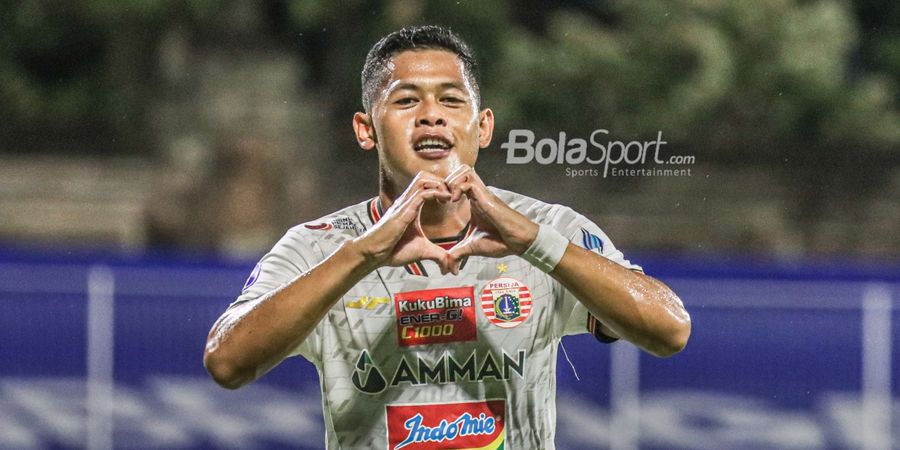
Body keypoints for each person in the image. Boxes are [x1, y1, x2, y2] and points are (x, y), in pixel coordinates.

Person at [204, 25, 691, 449]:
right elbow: (227, 362)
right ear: (365, 128)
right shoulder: (321, 247)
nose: (432, 115)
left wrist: (534, 245)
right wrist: (363, 256)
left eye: (451, 99)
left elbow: (670, 330)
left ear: (482, 128)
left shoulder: (547, 231)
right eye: (406, 99)